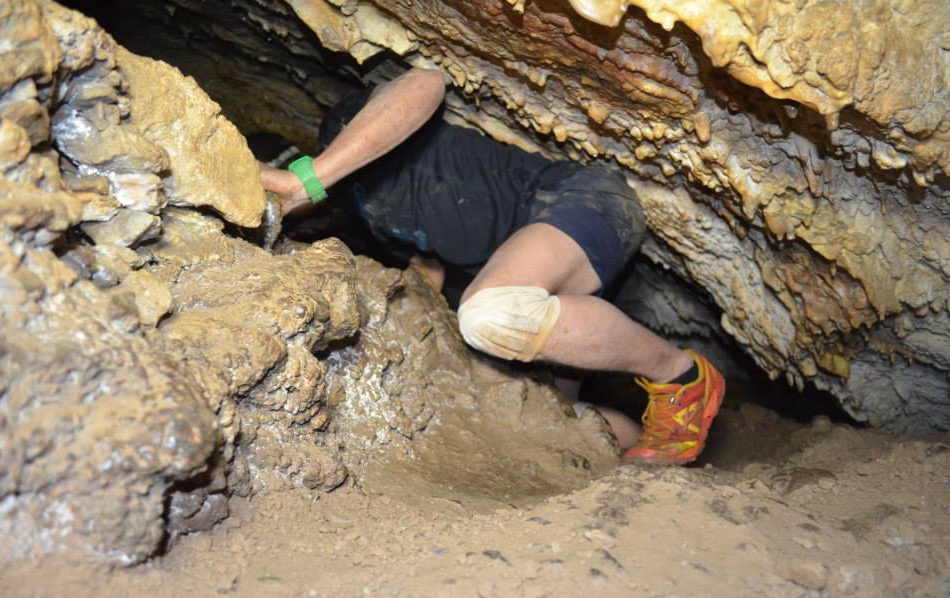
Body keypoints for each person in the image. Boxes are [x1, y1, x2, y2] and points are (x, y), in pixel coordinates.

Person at [259, 67, 725, 464]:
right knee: (550, 420)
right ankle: (650, 458)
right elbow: (428, 281)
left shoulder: (345, 140)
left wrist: (310, 179)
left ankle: (680, 376)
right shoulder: (371, 218)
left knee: (489, 314)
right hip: (546, 280)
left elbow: (424, 83)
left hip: (578, 203)